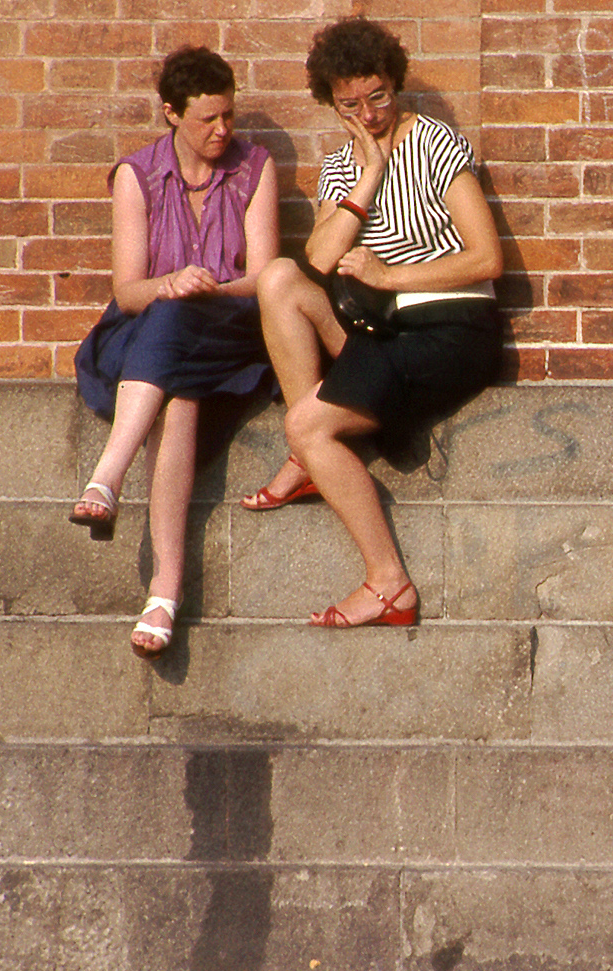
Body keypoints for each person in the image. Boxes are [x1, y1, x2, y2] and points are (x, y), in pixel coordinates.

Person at [246, 17, 503, 628]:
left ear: (395, 83)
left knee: (307, 424)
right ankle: (311, 441)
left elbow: (486, 258)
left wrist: (391, 277)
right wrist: (368, 174)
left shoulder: (438, 144)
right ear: (333, 106)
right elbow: (321, 259)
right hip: (378, 333)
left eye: (378, 97)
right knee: (279, 279)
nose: (369, 114)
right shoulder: (343, 166)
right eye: (350, 104)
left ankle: (389, 584)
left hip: (450, 328)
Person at [69, 45, 279, 658]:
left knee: (181, 322)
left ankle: (108, 478)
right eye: (207, 119)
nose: (222, 130)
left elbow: (263, 276)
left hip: (230, 328)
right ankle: (165, 590)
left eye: (228, 117)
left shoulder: (254, 168)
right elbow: (127, 290)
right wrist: (170, 284)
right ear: (170, 113)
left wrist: (201, 286)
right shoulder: (137, 175)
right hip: (143, 334)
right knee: (177, 387)